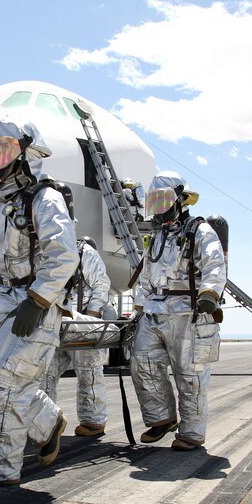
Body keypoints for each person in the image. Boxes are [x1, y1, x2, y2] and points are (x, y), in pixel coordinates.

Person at [0, 117, 79, 488]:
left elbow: (63, 256)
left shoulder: (45, 198)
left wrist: (38, 300)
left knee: (4, 383)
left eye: (1, 152)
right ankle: (49, 421)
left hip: (35, 305)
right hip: (3, 304)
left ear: (25, 156)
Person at [130, 171, 227, 451]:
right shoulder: (157, 236)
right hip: (155, 310)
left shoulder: (199, 230)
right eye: (154, 202)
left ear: (179, 199)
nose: (158, 208)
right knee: (142, 361)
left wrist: (210, 293)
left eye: (162, 201)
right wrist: (139, 307)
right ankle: (162, 418)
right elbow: (147, 274)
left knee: (189, 375)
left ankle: (192, 433)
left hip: (189, 312)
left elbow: (215, 264)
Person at [42, 236, 117, 437]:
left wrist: (89, 317)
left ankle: (93, 422)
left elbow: (101, 285)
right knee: (45, 374)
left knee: (88, 373)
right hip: (54, 321)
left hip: (80, 326)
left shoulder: (86, 253)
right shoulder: (48, 248)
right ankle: (45, 421)